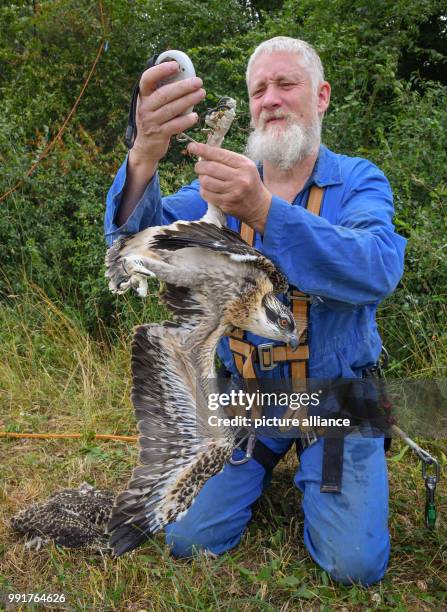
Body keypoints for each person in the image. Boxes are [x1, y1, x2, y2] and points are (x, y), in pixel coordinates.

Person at [104, 37, 406, 585]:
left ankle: (329, 462)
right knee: (186, 537)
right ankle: (260, 457)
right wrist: (144, 152)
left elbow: (377, 269)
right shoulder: (213, 194)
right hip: (247, 394)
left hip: (335, 396)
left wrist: (264, 211)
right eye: (259, 89)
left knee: (353, 566)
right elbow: (134, 240)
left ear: (322, 96)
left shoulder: (358, 180)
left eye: (286, 84)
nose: (270, 99)